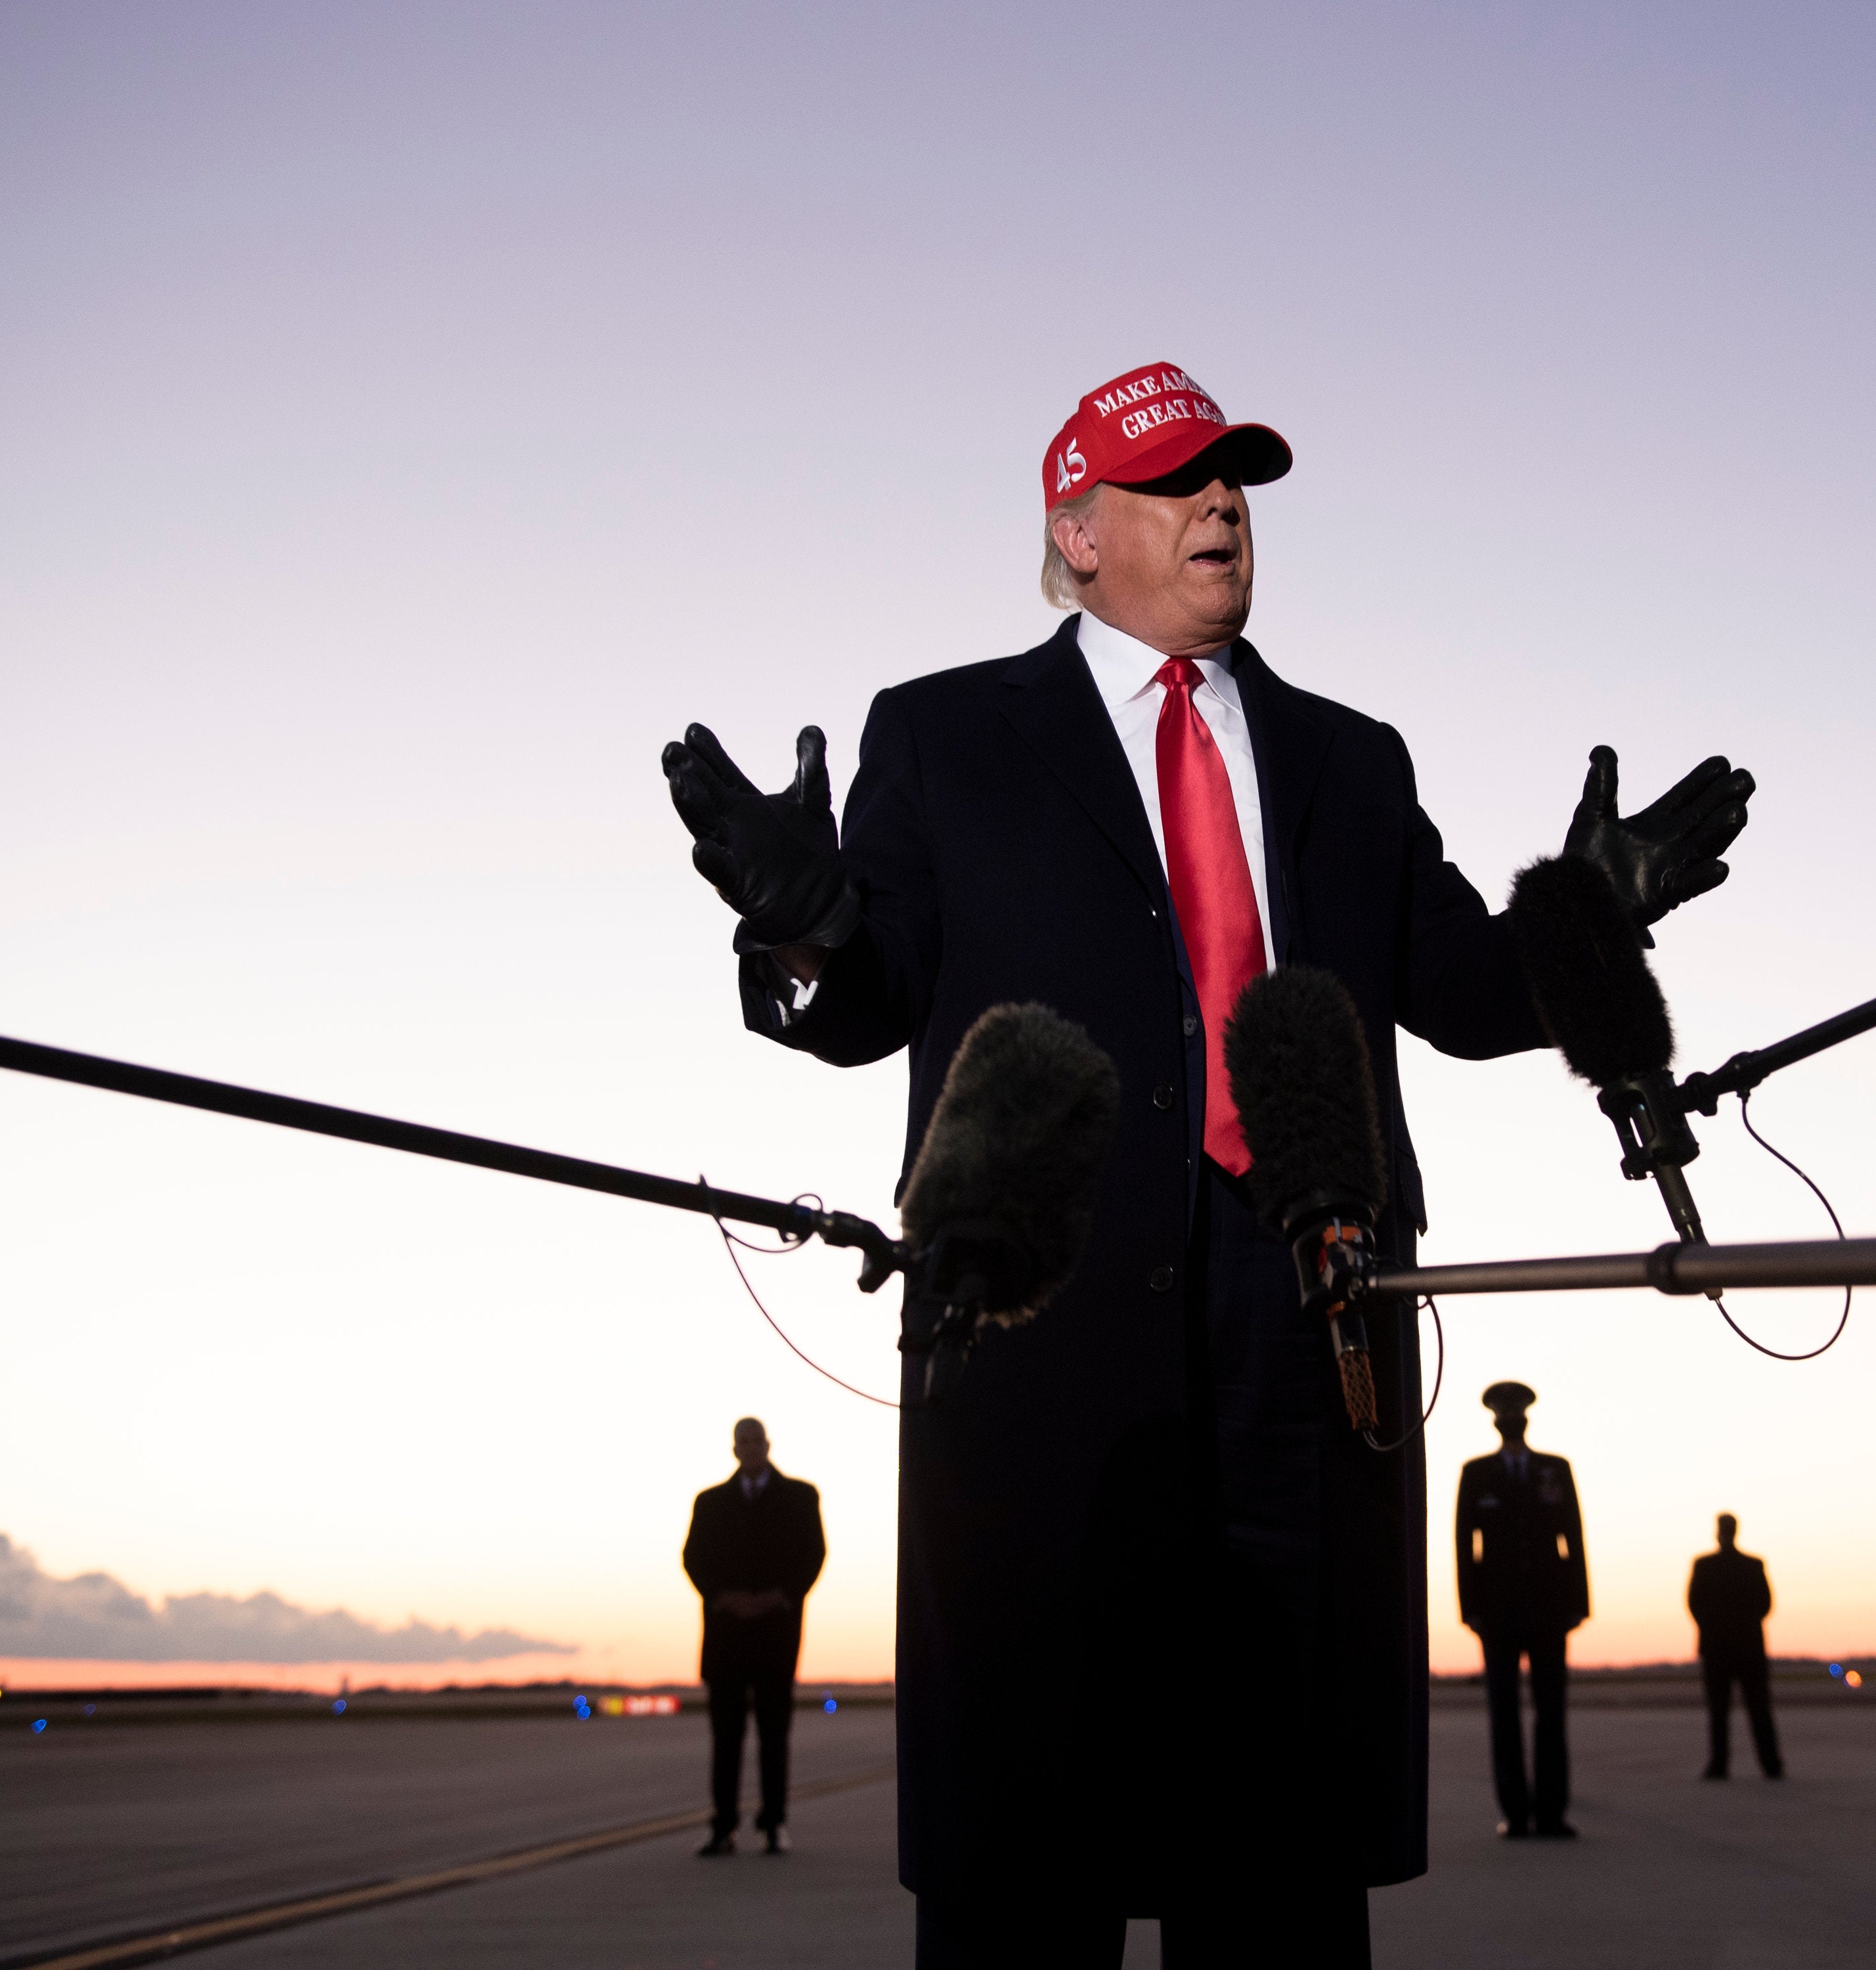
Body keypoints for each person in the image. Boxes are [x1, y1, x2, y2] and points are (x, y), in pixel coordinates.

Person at [662, 361, 1752, 1966]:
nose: (1220, 504)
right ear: (1078, 531)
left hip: (1304, 1315)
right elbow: (870, 996)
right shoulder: (947, 732)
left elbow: (1455, 992)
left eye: (1232, 479)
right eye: (1175, 481)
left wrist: (1590, 912)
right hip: (1037, 1310)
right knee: (1030, 1841)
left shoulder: (1348, 758)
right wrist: (808, 924)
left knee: (1280, 1844)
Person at [681, 1416, 826, 1854]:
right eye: (742, 1441)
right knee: (725, 1740)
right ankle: (723, 1827)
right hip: (726, 1637)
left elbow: (813, 1555)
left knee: (774, 1737)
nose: (750, 1447)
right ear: (734, 1449)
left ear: (767, 1444)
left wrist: (776, 1599)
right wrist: (725, 1598)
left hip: (775, 1636)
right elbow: (693, 1558)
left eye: (756, 1439)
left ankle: (773, 1824)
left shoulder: (800, 1497)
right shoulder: (710, 1502)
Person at [1453, 1382, 1588, 1838]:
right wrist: (1470, 1609)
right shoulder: (1477, 1473)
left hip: (1550, 1607)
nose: (1511, 1419)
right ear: (1495, 1420)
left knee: (1552, 1710)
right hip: (1498, 1611)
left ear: (1526, 1419)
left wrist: (1579, 1602)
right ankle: (1515, 1811)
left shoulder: (1554, 1469)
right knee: (1503, 1711)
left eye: (1516, 1412)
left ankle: (1551, 1812)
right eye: (1504, 1413)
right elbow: (1464, 1546)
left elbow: (1574, 1537)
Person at [1686, 1512, 1782, 1780]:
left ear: (1718, 1532)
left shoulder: (1704, 1565)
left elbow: (1693, 1603)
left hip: (1717, 1647)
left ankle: (1719, 1765)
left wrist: (1712, 1625)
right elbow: (1765, 1604)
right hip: (1749, 1646)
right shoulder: (1753, 1565)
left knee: (1719, 1711)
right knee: (1759, 1708)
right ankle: (1771, 1763)